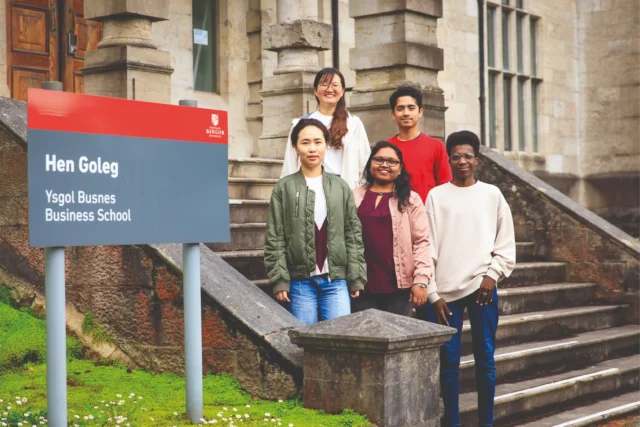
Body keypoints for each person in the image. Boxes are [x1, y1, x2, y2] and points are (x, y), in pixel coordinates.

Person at [423, 131, 516, 427]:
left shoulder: (492, 195)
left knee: (485, 360)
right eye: (456, 156)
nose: (462, 161)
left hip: (482, 289)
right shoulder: (437, 196)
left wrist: (492, 275)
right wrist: (433, 294)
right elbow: (427, 248)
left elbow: (505, 244)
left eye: (468, 156)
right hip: (445, 295)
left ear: (477, 160)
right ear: (449, 159)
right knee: (448, 364)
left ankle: (485, 423)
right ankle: (452, 423)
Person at [265, 118, 367, 325]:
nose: (312, 148)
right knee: (305, 343)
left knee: (340, 338)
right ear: (295, 147)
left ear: (326, 145)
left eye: (318, 142)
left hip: (336, 281)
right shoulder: (284, 188)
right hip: (300, 283)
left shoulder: (340, 187)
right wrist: (280, 280)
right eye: (305, 142)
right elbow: (275, 237)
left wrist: (356, 277)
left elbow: (353, 234)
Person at [351, 141, 434, 316]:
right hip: (360, 285)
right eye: (379, 160)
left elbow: (421, 241)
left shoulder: (411, 199)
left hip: (398, 287)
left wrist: (421, 280)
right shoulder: (355, 195)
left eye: (391, 161)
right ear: (370, 163)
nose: (384, 165)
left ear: (401, 167)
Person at [281, 68, 371, 189]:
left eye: (335, 85)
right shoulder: (300, 124)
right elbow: (290, 162)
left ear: (342, 91)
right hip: (308, 187)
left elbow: (364, 162)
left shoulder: (354, 124)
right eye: (324, 84)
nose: (329, 90)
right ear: (315, 91)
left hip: (344, 188)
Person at [387, 86, 452, 202]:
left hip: (428, 213)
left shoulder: (436, 146)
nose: (406, 113)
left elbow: (445, 186)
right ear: (393, 114)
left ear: (420, 112)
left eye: (411, 108)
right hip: (394, 212)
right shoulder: (386, 148)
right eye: (400, 108)